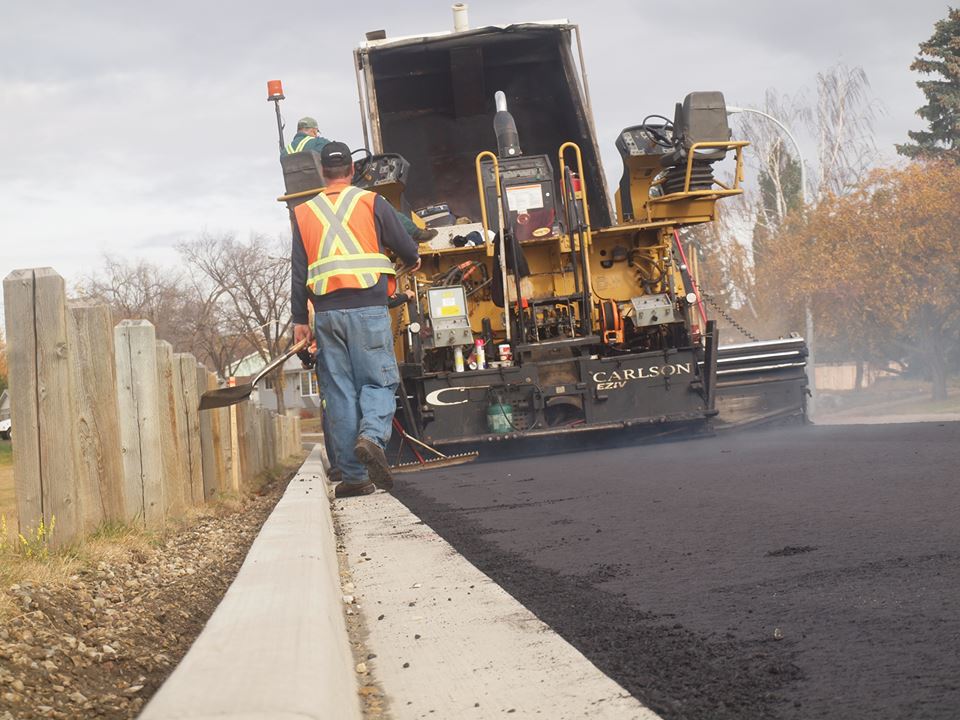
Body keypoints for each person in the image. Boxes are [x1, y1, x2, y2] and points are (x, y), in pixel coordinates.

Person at [291, 141, 420, 498]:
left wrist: (299, 318)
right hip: (368, 310)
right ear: (352, 170)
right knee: (377, 383)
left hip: (327, 316)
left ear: (322, 173)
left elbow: (298, 270)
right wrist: (413, 256)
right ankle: (372, 437)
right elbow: (406, 246)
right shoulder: (371, 201)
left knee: (340, 392)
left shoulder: (303, 213)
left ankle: (353, 477)